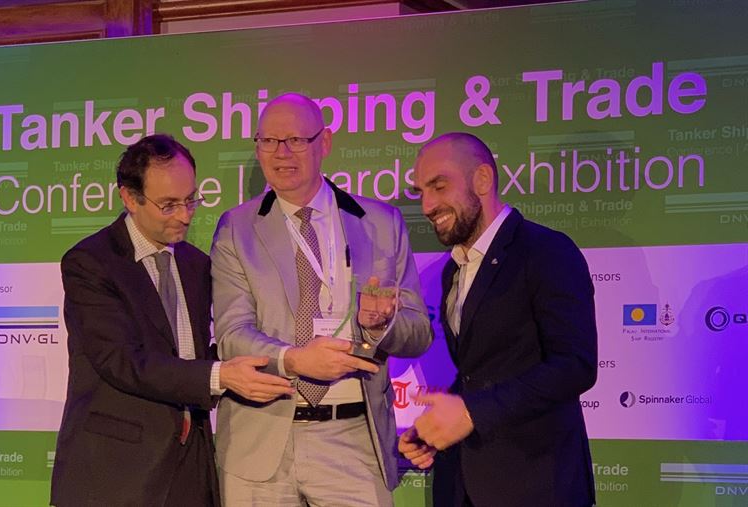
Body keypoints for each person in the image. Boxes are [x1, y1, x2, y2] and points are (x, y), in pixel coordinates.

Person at [210, 93, 432, 506]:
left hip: (354, 440)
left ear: (324, 142)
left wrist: (381, 325)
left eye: (296, 140)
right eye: (268, 141)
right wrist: (294, 360)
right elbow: (231, 335)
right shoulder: (236, 229)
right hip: (259, 441)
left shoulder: (382, 222)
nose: (281, 153)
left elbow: (418, 332)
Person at [50, 134, 294, 507]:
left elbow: (197, 353)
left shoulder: (197, 265)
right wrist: (220, 375)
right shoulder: (91, 263)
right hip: (115, 475)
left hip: (190, 468)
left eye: (190, 199)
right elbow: (122, 361)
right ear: (129, 198)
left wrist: (272, 358)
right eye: (168, 205)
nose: (184, 215)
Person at [400, 132, 597, 507]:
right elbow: (483, 372)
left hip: (538, 485)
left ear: (482, 180)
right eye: (421, 192)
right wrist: (438, 428)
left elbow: (575, 366)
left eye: (439, 186)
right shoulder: (453, 270)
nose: (427, 205)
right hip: (463, 483)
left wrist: (470, 412)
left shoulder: (546, 251)